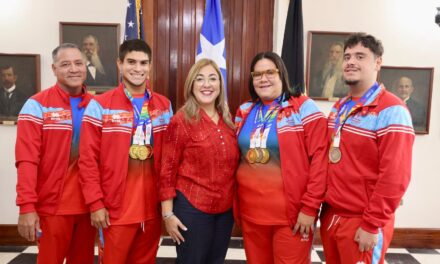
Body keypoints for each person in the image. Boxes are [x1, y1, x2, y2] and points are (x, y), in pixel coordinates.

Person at [321, 33, 415, 264]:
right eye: (347, 56)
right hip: (332, 213)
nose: (350, 61)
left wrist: (372, 224)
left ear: (377, 62)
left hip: (362, 220)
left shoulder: (392, 109)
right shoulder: (339, 106)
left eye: (360, 56)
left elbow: (395, 176)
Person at [78, 39, 173, 264]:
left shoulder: (164, 105)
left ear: (150, 66)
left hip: (153, 210)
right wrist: (96, 204)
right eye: (131, 62)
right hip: (115, 211)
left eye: (143, 63)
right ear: (119, 64)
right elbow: (87, 160)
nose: (138, 69)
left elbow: (171, 157)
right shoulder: (100, 105)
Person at [235, 51, 328, 264]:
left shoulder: (303, 107)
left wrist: (310, 208)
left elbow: (320, 161)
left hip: (292, 217)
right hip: (251, 214)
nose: (263, 78)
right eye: (257, 74)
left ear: (281, 75)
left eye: (269, 72)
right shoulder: (244, 111)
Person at [15, 43, 96, 264]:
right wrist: (26, 207)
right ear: (54, 69)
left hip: (90, 207)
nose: (74, 69)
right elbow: (26, 161)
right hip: (53, 208)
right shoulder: (36, 106)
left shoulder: (97, 106)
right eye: (65, 64)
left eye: (79, 63)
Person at [159, 58, 239, 264]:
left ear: (220, 85)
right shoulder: (181, 120)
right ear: (191, 85)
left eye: (213, 78)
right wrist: (167, 215)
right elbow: (167, 170)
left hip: (224, 212)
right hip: (192, 210)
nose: (207, 84)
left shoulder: (228, 121)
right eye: (200, 79)